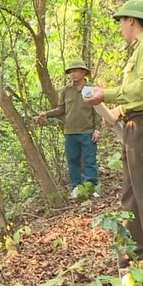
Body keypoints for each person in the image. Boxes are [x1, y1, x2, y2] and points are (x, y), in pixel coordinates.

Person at [84, 0, 143, 268]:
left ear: (131, 20)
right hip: (135, 125)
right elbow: (137, 92)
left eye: (121, 21)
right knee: (131, 193)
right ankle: (133, 252)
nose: (120, 27)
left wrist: (106, 93)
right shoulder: (139, 50)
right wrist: (116, 112)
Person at [36, 60, 101, 198]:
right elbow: (61, 109)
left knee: (89, 160)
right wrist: (46, 114)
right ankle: (76, 187)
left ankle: (91, 187)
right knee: (72, 160)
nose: (72, 74)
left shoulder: (92, 89)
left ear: (83, 72)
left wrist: (97, 129)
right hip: (70, 132)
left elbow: (98, 110)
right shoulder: (66, 91)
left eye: (75, 71)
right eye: (70, 72)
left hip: (88, 131)